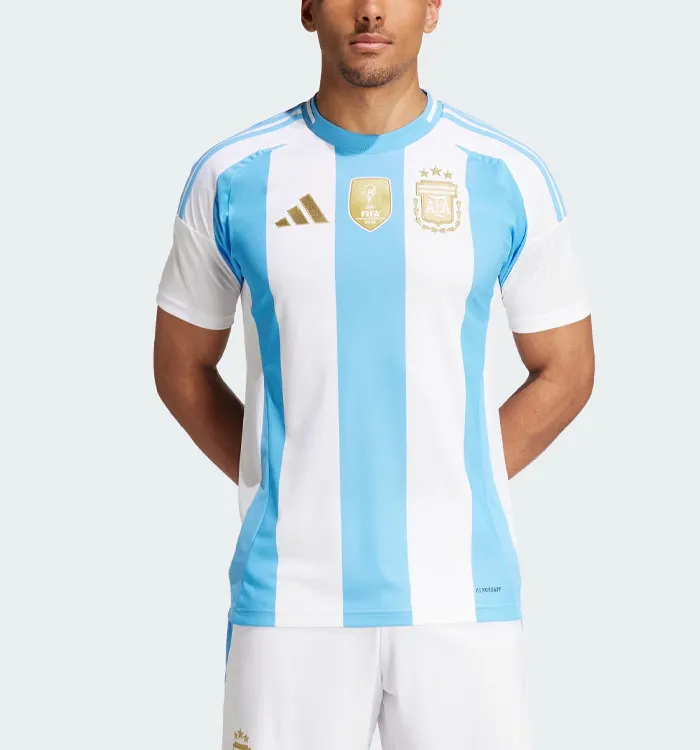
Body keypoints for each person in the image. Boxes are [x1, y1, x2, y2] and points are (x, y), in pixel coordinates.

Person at [153, 1, 595, 748]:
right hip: (289, 600)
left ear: (433, 10)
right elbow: (181, 368)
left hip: (462, 598)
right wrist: (291, 476)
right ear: (306, 9)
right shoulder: (232, 175)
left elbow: (567, 368)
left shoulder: (506, 175)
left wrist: (458, 474)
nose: (370, 10)